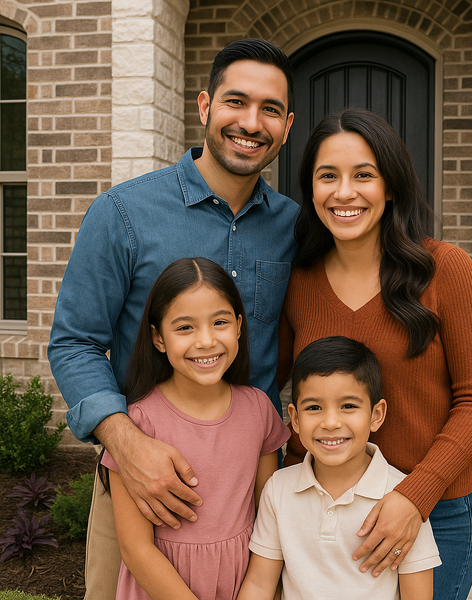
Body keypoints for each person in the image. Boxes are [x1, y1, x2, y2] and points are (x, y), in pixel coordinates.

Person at [47, 39, 298, 600]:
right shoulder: (123, 214)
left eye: (271, 110)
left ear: (286, 126)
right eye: (237, 102)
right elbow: (74, 343)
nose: (251, 123)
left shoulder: (295, 227)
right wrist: (129, 445)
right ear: (206, 106)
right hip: (139, 490)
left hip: (250, 499)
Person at [278, 108, 472, 600]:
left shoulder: (447, 270)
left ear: (392, 185)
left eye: (364, 175)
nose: (344, 192)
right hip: (322, 509)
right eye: (327, 176)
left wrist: (413, 497)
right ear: (310, 190)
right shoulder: (298, 282)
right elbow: (261, 391)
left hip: (434, 510)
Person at [100, 257, 290, 600]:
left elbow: (268, 517)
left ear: (238, 326)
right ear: (158, 338)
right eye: (185, 327)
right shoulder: (138, 423)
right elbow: (136, 550)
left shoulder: (259, 410)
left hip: (245, 584)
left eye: (219, 322)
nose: (205, 341)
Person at [238, 336, 441, 600]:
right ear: (295, 419)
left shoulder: (404, 500)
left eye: (348, 406)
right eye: (314, 407)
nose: (330, 422)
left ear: (376, 415)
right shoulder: (278, 489)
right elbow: (259, 585)